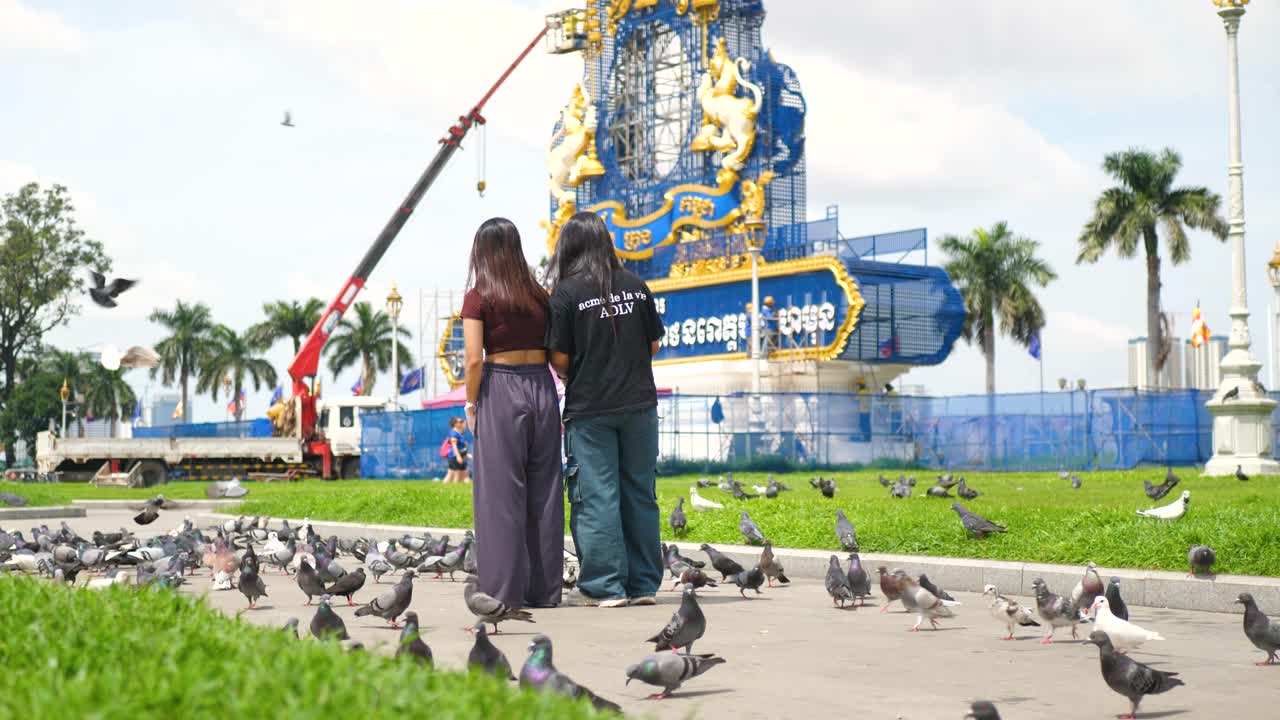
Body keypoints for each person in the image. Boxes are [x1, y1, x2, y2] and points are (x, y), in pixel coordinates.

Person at [545, 211, 665, 608]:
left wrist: (578, 372)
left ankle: (605, 586)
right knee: (640, 494)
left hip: (590, 409)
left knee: (597, 496)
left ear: (569, 247)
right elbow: (653, 344)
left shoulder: (566, 294)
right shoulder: (636, 285)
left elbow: (559, 358)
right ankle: (643, 585)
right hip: (640, 406)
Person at [461, 217, 563, 609]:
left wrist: (472, 404)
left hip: (500, 387)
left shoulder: (479, 297)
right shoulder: (540, 296)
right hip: (541, 385)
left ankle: (503, 592)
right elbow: (555, 353)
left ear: (481, 252)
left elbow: (474, 360)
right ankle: (545, 591)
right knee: (545, 491)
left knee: (500, 495)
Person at [442, 416, 470, 483]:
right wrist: (458, 456)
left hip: (459, 455)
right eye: (460, 422)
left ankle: (444, 487)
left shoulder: (459, 433)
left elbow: (462, 447)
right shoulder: (454, 433)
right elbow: (454, 446)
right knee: (457, 476)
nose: (462, 423)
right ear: (455, 424)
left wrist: (467, 455)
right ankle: (448, 487)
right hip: (454, 456)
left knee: (457, 474)